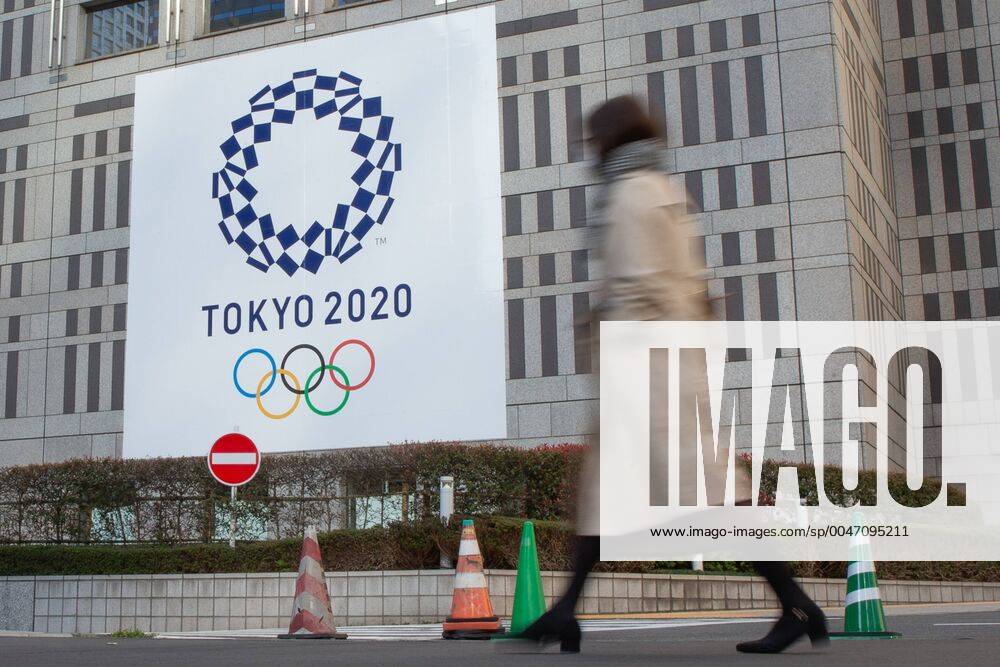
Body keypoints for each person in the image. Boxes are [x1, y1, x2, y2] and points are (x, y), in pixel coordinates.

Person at [512, 96, 828, 655]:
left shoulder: (632, 194)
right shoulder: (661, 189)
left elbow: (641, 286)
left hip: (649, 368)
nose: (589, 148)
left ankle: (797, 605)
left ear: (609, 138)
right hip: (665, 365)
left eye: (592, 138)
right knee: (608, 492)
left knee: (703, 494)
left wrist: (605, 329)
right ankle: (567, 611)